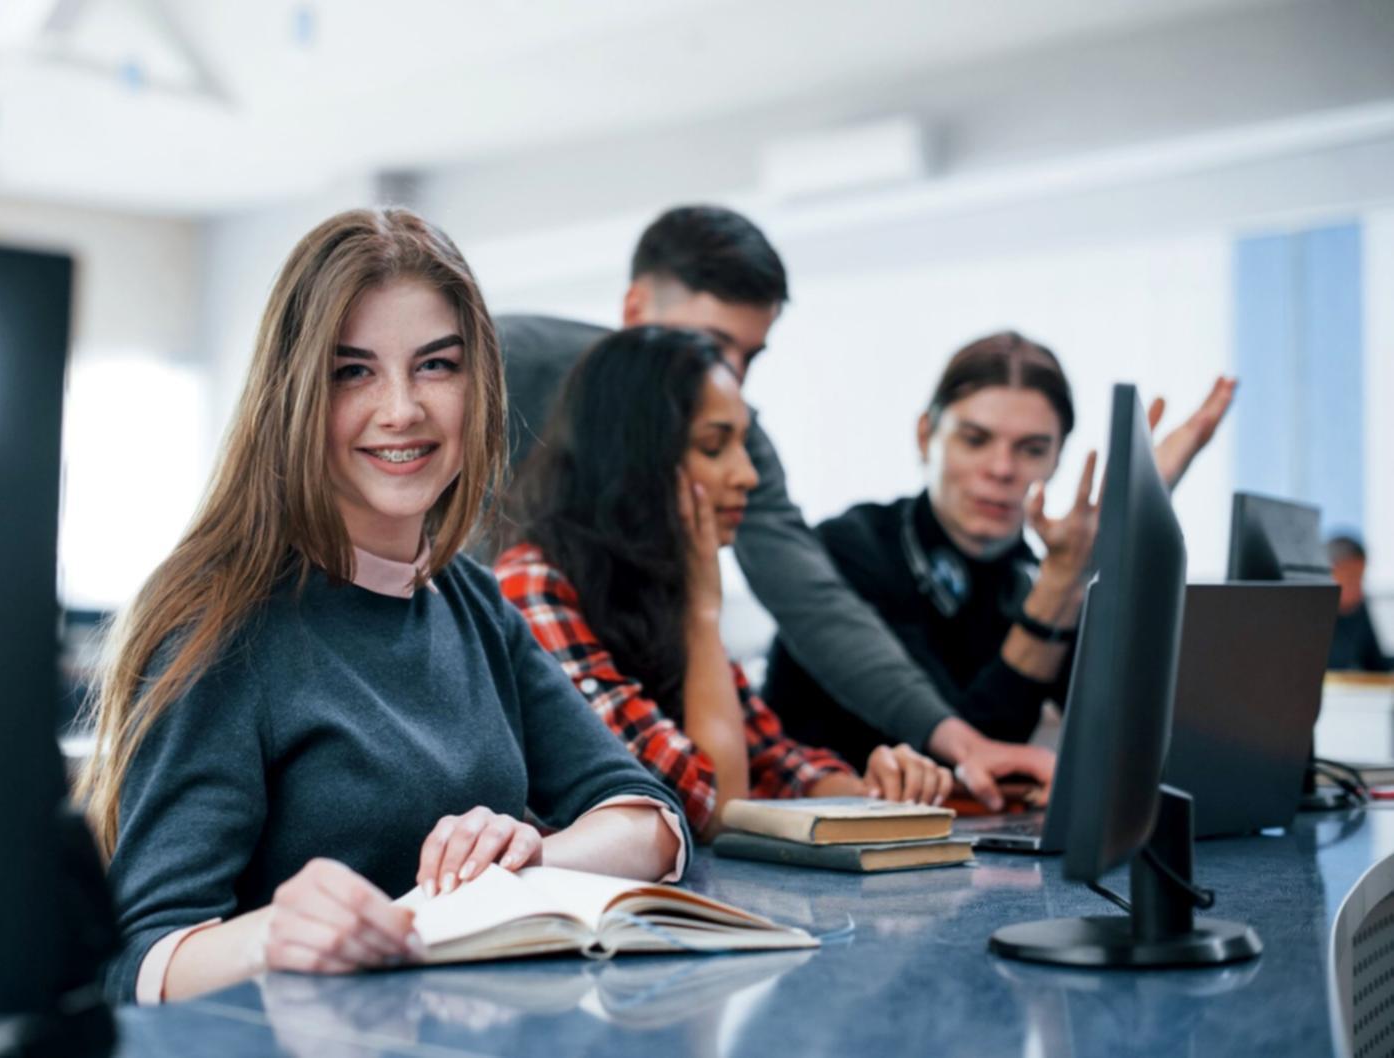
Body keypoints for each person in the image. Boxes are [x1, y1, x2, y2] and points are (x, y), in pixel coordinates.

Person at [75, 209, 687, 1006]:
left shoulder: (469, 597)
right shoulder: (221, 623)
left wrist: (529, 857)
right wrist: (277, 932)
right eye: (352, 371)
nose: (401, 409)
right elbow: (138, 960)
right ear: (293, 395)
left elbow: (647, 819)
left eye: (435, 366)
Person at [498, 205, 1048, 810]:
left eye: (750, 357)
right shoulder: (505, 368)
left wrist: (930, 760)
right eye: (708, 344)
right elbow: (711, 796)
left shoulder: (690, 538)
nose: (730, 376)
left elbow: (810, 606)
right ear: (636, 313)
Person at [495, 326, 952, 839]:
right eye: (714, 447)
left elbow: (772, 762)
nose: (748, 475)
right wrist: (702, 614)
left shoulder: (657, 580)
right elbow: (711, 807)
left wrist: (876, 792)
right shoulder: (531, 587)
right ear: (634, 459)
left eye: (742, 444)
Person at [762, 332, 1235, 771]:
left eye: (1032, 449)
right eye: (975, 439)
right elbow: (965, 754)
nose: (1003, 469)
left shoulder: (1032, 570)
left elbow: (1134, 733)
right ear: (926, 435)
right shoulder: (849, 548)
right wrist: (1057, 589)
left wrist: (1140, 524)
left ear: (1057, 458)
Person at [1327, 534, 1391, 672]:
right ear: (1329, 574)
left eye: (1360, 579)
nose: (1358, 588)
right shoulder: (1309, 615)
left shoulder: (1359, 608)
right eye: (1350, 579)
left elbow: (1375, 663)